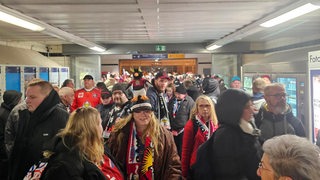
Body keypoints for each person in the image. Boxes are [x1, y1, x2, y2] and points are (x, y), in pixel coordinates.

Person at [27, 107, 123, 180]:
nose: (102, 128)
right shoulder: (66, 164)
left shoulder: (100, 148)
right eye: (99, 123)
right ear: (92, 129)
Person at [191, 89, 262, 180]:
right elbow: (229, 173)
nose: (252, 110)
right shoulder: (226, 136)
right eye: (247, 107)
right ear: (234, 109)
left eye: (251, 105)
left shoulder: (248, 128)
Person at [7, 79, 69, 180]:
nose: (27, 100)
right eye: (27, 96)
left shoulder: (62, 118)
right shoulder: (24, 116)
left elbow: (66, 154)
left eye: (32, 97)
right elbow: (16, 150)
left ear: (46, 98)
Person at [108, 95, 182, 179]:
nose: (143, 114)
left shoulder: (165, 135)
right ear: (132, 114)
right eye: (138, 111)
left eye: (147, 111)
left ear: (152, 113)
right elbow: (111, 162)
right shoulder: (119, 134)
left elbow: (174, 166)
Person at [181, 95, 218, 178]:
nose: (205, 109)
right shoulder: (191, 125)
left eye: (207, 106)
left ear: (211, 107)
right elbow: (186, 150)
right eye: (201, 106)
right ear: (197, 108)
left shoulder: (215, 124)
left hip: (212, 166)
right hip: (197, 167)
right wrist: (184, 173)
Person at [0, 90, 22, 179]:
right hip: (4, 154)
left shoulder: (7, 111)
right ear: (14, 100)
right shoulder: (4, 114)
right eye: (19, 100)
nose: (21, 102)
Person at [168, 85, 195, 157]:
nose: (177, 95)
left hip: (183, 130)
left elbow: (192, 117)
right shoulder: (172, 100)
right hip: (172, 130)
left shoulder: (190, 102)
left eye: (179, 94)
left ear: (184, 94)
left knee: (182, 150)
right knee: (173, 150)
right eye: (176, 93)